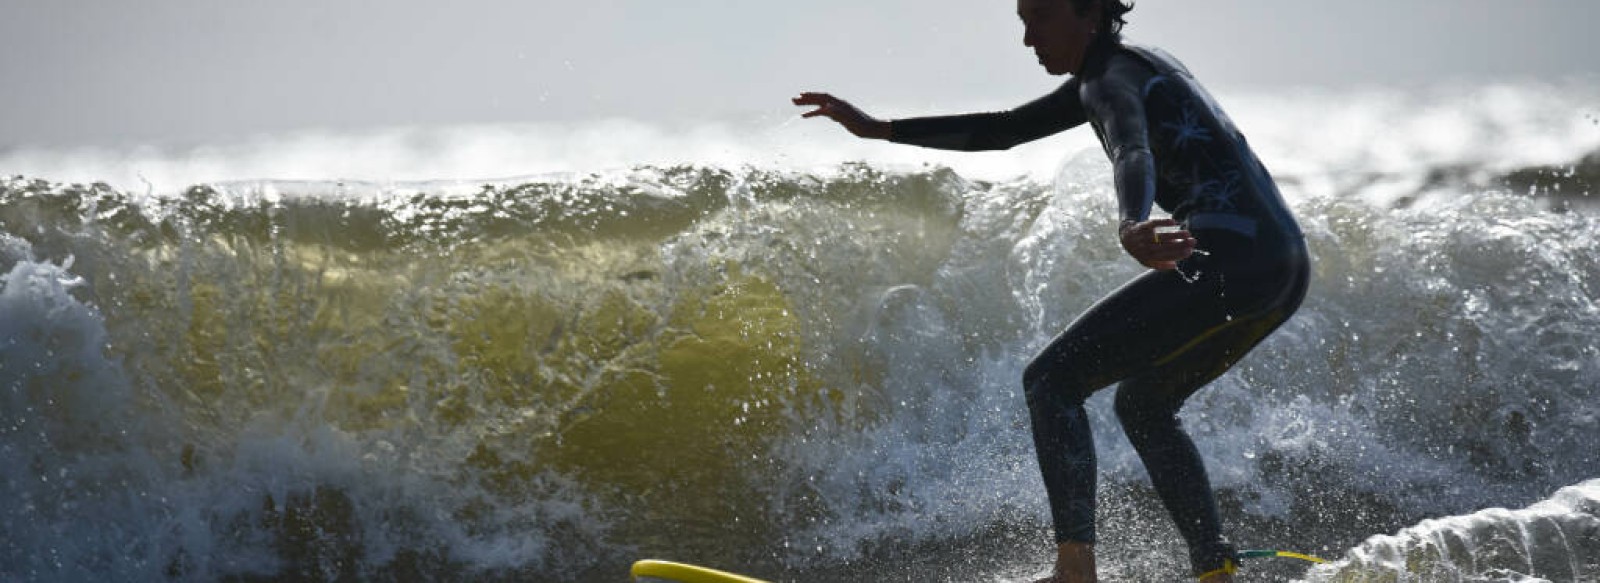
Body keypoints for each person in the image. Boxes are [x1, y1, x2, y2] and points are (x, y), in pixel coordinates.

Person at [792, 0, 1310, 581]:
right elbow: (1006, 129)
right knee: (1144, 405)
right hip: (1282, 263)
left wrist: (1131, 221)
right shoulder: (1133, 66)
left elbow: (1131, 146)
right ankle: (1214, 564)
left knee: (1050, 381)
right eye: (1022, 20)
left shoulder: (1108, 82)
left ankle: (1075, 570)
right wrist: (880, 129)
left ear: (1088, 14)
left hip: (1231, 257)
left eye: (1040, 17)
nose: (1028, 38)